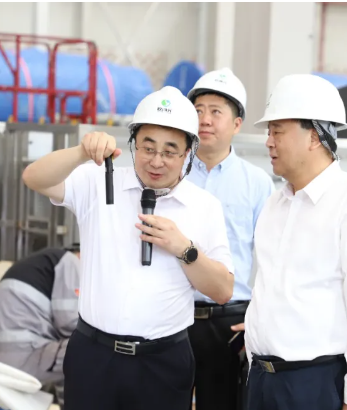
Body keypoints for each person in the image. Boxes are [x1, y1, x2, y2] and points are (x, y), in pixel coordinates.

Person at [21, 86, 235, 410]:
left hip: (163, 362)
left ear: (188, 153)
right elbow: (34, 178)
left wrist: (184, 249)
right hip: (93, 356)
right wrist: (81, 152)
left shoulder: (204, 206)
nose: (156, 161)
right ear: (133, 143)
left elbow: (222, 290)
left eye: (170, 152)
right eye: (148, 147)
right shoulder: (99, 181)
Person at [240, 74, 347, 410]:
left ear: (314, 136)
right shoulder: (275, 204)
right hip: (262, 380)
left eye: (277, 131)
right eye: (269, 132)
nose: (269, 142)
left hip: (316, 384)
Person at [186, 68, 274, 410]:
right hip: (172, 311)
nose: (205, 119)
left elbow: (273, 258)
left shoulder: (257, 182)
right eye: (198, 110)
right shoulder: (171, 173)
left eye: (215, 111)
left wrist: (260, 318)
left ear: (237, 124)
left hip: (229, 321)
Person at [0, 244, 81, 406]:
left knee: (69, 350)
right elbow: (69, 323)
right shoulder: (72, 262)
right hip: (23, 356)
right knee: (89, 350)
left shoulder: (42, 262)